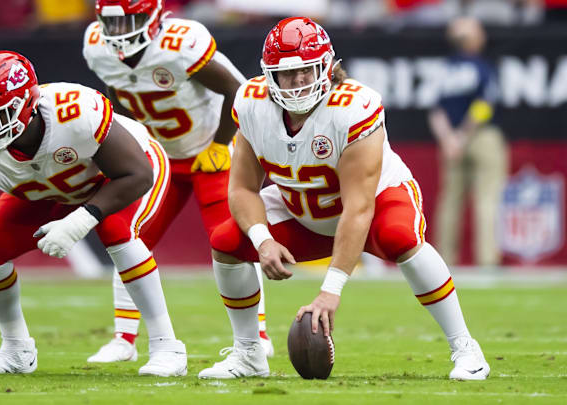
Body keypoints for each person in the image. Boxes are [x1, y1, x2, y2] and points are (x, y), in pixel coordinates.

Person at [198, 17, 490, 381]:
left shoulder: (353, 107)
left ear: (327, 67)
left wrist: (330, 290)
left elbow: (359, 207)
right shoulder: (253, 103)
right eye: (288, 75)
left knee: (401, 237)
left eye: (307, 71)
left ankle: (465, 347)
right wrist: (264, 240)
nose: (299, 82)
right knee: (226, 241)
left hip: (376, 200)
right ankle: (248, 353)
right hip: (303, 206)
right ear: (269, 76)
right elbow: (242, 188)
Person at [0, 50, 187, 377]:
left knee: (116, 230)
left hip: (120, 175)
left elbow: (137, 175)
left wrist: (79, 221)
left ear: (26, 105)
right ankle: (16, 349)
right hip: (49, 190)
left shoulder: (74, 113)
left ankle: (166, 346)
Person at [81, 0, 273, 363]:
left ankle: (258, 335)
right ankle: (124, 337)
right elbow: (118, 95)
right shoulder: (98, 47)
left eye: (129, 22)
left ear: (154, 16)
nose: (119, 33)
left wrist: (219, 144)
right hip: (162, 156)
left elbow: (239, 91)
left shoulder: (179, 44)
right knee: (126, 235)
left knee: (229, 241)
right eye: (112, 23)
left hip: (209, 150)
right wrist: (128, 147)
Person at [428, 17, 508, 267]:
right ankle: (487, 260)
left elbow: (435, 111)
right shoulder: (481, 66)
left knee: (450, 201)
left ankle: (443, 261)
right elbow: (484, 106)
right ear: (471, 39)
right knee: (487, 199)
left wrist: (449, 140)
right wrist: (463, 136)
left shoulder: (444, 69)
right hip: (481, 136)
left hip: (451, 142)